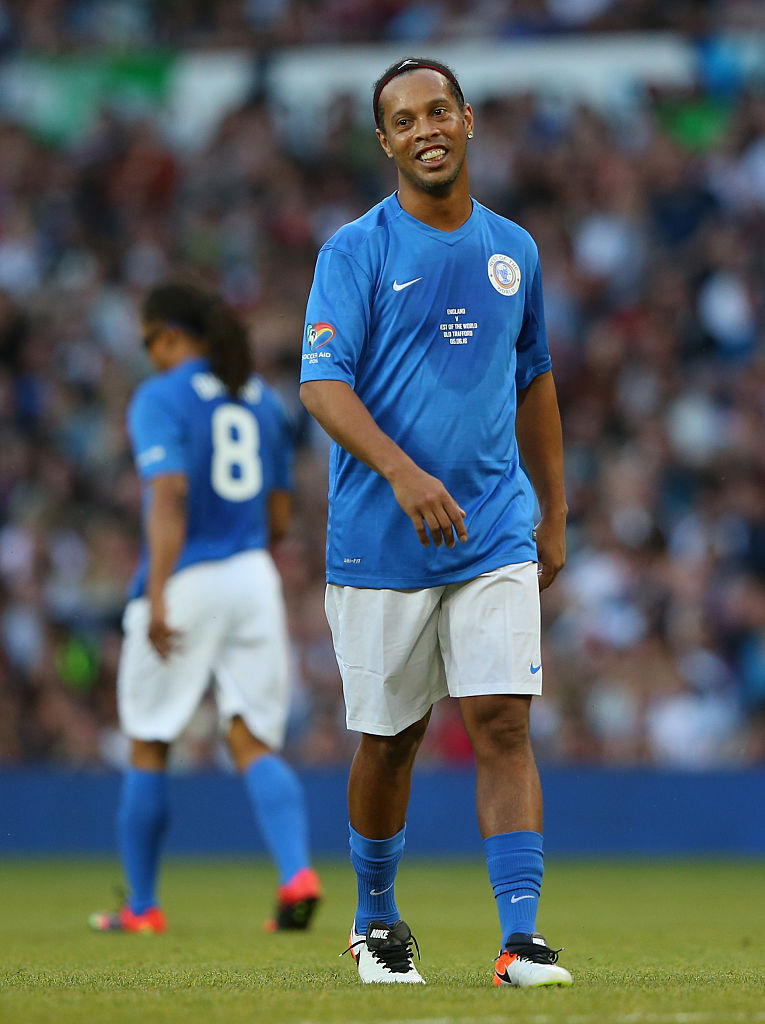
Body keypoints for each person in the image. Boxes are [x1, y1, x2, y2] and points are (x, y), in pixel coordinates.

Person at [299, 57, 571, 987]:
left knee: (501, 722)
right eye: (404, 118)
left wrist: (554, 511)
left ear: (466, 120)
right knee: (392, 738)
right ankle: (375, 921)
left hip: (493, 525)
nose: (425, 128)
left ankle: (521, 940)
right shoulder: (355, 250)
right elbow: (320, 384)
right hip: (379, 539)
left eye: (438, 110)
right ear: (385, 140)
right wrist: (403, 472)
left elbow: (533, 378)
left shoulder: (515, 250)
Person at [90, 282, 321, 935]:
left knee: (150, 739)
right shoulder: (261, 400)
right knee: (250, 735)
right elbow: (279, 513)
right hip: (253, 575)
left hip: (188, 575)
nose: (147, 354)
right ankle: (296, 871)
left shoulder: (159, 397)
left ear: (167, 335)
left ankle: (142, 906)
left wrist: (158, 592)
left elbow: (168, 494)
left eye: (147, 341)